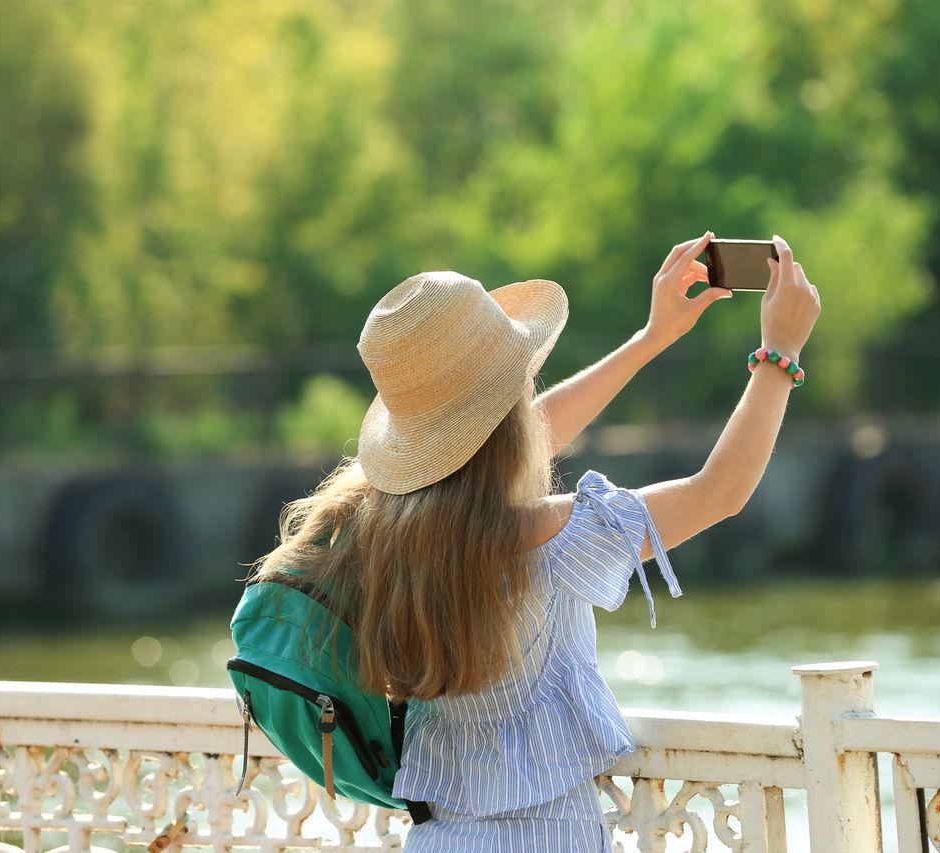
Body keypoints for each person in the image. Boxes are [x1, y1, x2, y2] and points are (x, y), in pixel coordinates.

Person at [254, 231, 820, 851]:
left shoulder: (379, 534)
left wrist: (650, 340)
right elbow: (719, 491)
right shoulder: (556, 537)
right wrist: (779, 353)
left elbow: (503, 445)